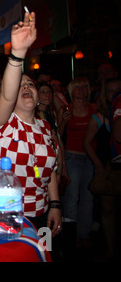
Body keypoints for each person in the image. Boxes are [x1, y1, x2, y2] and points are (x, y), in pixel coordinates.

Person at [0, 11, 62, 237]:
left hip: (42, 210)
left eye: (30, 84)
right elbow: (8, 97)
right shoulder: (3, 125)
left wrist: (55, 205)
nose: (26, 88)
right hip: (8, 211)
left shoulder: (45, 127)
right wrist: (18, 53)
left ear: (39, 95)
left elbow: (51, 172)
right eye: (20, 86)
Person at [83, 77, 121, 260]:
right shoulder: (100, 116)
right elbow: (87, 143)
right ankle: (110, 247)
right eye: (111, 91)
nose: (115, 95)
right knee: (108, 209)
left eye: (118, 90)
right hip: (109, 169)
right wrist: (98, 164)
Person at [57, 77, 97, 248]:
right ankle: (71, 237)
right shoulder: (66, 109)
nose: (81, 90)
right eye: (78, 87)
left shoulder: (95, 108)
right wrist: (64, 120)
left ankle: (84, 234)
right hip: (72, 157)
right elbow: (57, 134)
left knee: (88, 197)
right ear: (71, 90)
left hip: (90, 158)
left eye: (85, 87)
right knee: (72, 198)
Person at [36, 82, 68, 189]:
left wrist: (61, 166)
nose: (47, 95)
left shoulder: (49, 115)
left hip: (54, 160)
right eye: (43, 92)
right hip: (41, 162)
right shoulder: (35, 116)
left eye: (49, 92)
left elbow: (57, 139)